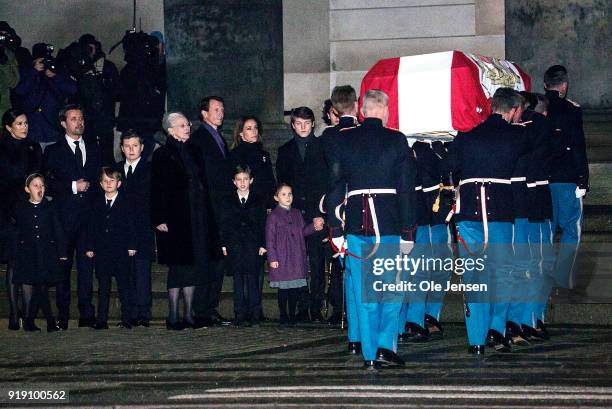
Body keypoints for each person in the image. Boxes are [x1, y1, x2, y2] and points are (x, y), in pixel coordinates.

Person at [325, 89, 418, 369]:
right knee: (391, 290)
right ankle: (384, 347)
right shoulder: (397, 140)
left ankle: (368, 354)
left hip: (356, 224)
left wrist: (335, 227)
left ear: (362, 111)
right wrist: (408, 231)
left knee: (364, 294)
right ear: (385, 111)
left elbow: (335, 186)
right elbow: (406, 190)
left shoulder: (345, 140)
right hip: (389, 225)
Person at [447, 87, 530, 355]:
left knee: (474, 278)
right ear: (514, 110)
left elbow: (448, 164)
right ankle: (496, 327)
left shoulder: (467, 133)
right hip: (501, 213)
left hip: (470, 212)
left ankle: (476, 340)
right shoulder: (517, 134)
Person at [42, 104, 101, 329]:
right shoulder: (54, 151)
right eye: (74, 118)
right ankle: (63, 314)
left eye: (81, 118)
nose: (79, 122)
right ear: (63, 123)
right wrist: (73, 186)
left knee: (87, 268)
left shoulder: (94, 148)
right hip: (64, 219)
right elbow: (47, 183)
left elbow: (100, 179)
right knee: (63, 269)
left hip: (88, 219)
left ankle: (87, 312)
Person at [151, 112, 209, 330]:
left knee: (192, 265)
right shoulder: (162, 154)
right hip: (174, 219)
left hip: (195, 216)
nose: (187, 127)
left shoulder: (194, 151)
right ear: (170, 130)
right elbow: (156, 189)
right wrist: (159, 217)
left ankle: (189, 314)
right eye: (182, 125)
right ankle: (173, 314)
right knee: (178, 267)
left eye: (188, 124)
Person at [276, 106, 328, 322]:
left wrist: (319, 213)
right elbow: (283, 183)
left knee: (316, 262)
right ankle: (300, 306)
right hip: (294, 214)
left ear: (313, 124)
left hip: (316, 213)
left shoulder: (323, 148)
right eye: (298, 123)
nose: (303, 127)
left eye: (307, 123)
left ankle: (316, 306)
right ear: (292, 125)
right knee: (295, 262)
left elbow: (326, 183)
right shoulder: (285, 150)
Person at [544, 65, 589, 290]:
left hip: (543, 179)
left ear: (545, 85)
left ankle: (545, 274)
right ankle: (562, 276)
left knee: (547, 230)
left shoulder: (538, 108)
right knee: (572, 229)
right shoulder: (572, 109)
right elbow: (578, 146)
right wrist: (583, 179)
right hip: (568, 177)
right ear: (564, 85)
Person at [190, 96, 232, 327]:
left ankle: (210, 307)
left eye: (222, 109)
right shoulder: (198, 139)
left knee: (217, 261)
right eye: (216, 109)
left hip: (220, 209)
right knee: (206, 261)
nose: (221, 113)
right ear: (204, 113)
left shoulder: (219, 139)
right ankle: (201, 309)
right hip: (208, 210)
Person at [320, 86, 359, 328]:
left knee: (342, 262)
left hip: (336, 205)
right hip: (357, 204)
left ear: (334, 109)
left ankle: (347, 316)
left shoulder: (329, 136)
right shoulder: (358, 133)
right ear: (355, 105)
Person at [0, 109, 42, 330]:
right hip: (8, 212)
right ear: (8, 127)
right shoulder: (3, 149)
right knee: (14, 263)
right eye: (19, 123)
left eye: (25, 123)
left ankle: (28, 315)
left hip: (29, 210)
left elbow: (38, 177)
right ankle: (15, 314)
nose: (24, 127)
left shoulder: (33, 147)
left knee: (28, 263)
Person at [12, 173, 66, 332]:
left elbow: (58, 230)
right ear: (27, 189)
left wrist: (62, 251)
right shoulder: (21, 208)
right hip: (28, 253)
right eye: (35, 186)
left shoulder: (50, 208)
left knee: (41, 285)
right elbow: (18, 231)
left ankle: (41, 321)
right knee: (35, 286)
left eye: (42, 186)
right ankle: (41, 321)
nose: (40, 189)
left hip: (45, 252)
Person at [86, 167, 137, 329]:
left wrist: (132, 245)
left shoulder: (126, 202)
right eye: (105, 181)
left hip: (121, 251)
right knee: (103, 287)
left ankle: (127, 319)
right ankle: (101, 320)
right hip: (102, 252)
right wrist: (90, 246)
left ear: (119, 183)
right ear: (101, 184)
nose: (108, 184)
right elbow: (91, 227)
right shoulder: (96, 204)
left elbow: (131, 225)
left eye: (112, 181)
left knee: (124, 286)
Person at [266, 183, 324, 325]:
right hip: (282, 256)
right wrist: (272, 257)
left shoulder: (297, 213)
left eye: (290, 194)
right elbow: (270, 238)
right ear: (276, 197)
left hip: (296, 255)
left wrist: (314, 227)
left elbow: (302, 231)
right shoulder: (273, 216)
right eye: (284, 194)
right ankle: (283, 314)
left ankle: (292, 314)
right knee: (283, 288)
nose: (288, 197)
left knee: (293, 288)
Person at [219, 166, 267, 326]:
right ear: (234, 182)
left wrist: (263, 244)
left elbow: (263, 223)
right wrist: (224, 244)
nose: (242, 183)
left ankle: (254, 313)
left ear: (251, 180)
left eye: (245, 179)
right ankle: (239, 313)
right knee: (238, 280)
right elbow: (224, 223)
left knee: (253, 279)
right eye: (239, 179)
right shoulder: (227, 200)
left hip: (253, 245)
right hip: (235, 245)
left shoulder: (259, 199)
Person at [116, 130, 153, 327]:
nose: (131, 150)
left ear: (142, 147)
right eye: (127, 146)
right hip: (121, 231)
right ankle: (127, 313)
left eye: (135, 146)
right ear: (122, 148)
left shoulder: (150, 170)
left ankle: (143, 313)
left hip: (142, 229)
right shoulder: (115, 170)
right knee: (125, 274)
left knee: (142, 272)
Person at [13, 43, 76, 150]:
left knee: (52, 164)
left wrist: (55, 76)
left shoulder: (57, 70)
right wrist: (34, 71)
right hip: (33, 129)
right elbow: (20, 91)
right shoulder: (26, 71)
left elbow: (72, 89)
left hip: (53, 127)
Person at [73, 34, 120, 166]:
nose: (90, 51)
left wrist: (102, 80)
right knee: (89, 153)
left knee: (107, 154)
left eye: (91, 47)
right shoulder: (78, 67)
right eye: (86, 48)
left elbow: (117, 91)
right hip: (87, 118)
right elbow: (75, 92)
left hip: (105, 117)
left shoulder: (108, 67)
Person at [229, 116, 276, 208]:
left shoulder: (264, 154)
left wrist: (271, 204)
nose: (254, 131)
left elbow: (270, 181)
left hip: (265, 204)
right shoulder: (235, 154)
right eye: (249, 128)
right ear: (241, 133)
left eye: (255, 127)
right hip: (247, 205)